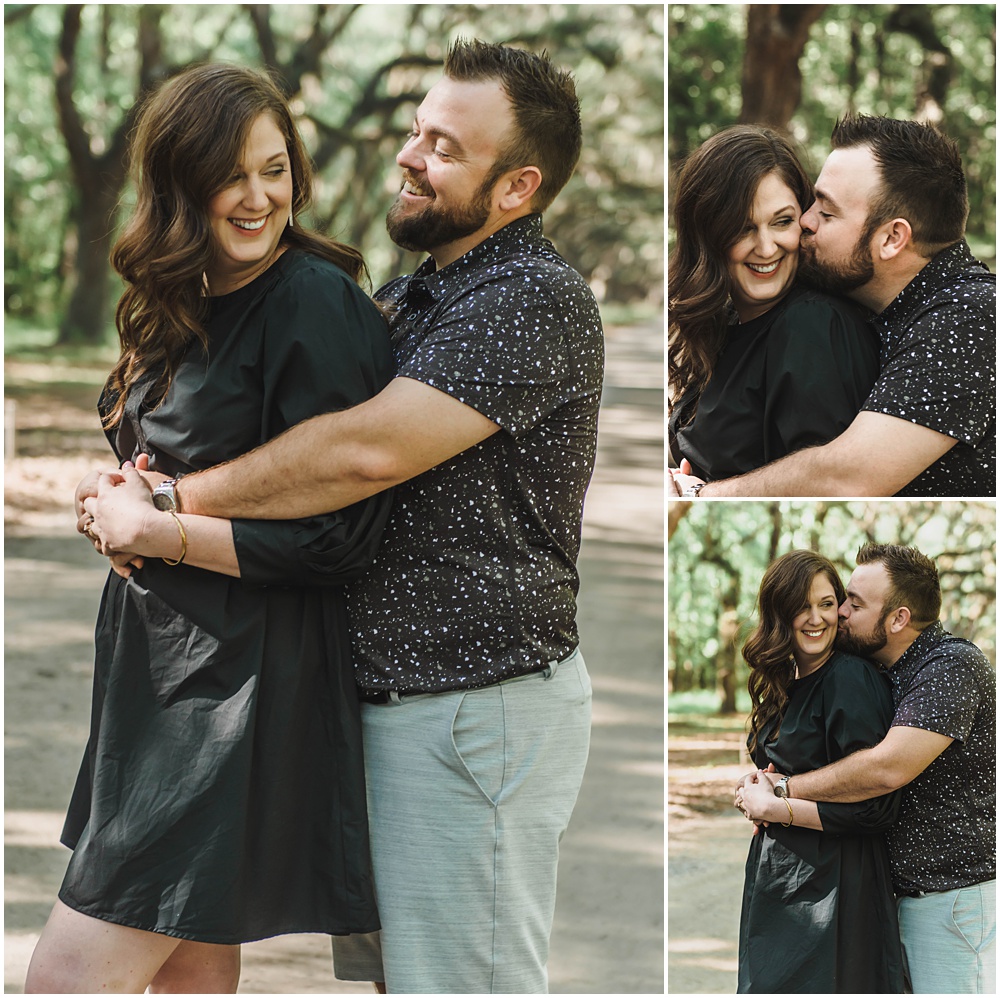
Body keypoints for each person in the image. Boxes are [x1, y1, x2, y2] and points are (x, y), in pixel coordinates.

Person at [79, 39, 603, 995]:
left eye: (442, 146)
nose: (409, 154)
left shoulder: (530, 299)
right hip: (393, 706)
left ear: (518, 186)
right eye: (415, 130)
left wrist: (165, 507)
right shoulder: (416, 296)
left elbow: (359, 455)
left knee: (464, 983)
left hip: (469, 706)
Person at [26, 64, 394, 993]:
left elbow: (340, 539)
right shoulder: (184, 294)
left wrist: (155, 531)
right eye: (233, 174)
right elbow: (170, 468)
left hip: (234, 692)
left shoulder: (313, 302)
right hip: (158, 676)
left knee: (68, 976)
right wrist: (112, 496)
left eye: (276, 169)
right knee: (190, 969)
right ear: (181, 182)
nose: (260, 195)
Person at [671, 113, 996, 498]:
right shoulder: (873, 307)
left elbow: (849, 475)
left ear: (893, 238)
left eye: (825, 212)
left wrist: (698, 496)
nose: (804, 222)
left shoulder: (970, 313)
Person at [744, 543, 996, 993]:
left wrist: (781, 795)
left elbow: (884, 773)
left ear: (898, 619)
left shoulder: (950, 666)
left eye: (850, 603)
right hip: (895, 888)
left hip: (947, 895)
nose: (839, 612)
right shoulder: (884, 668)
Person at [732, 550, 903, 993]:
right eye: (801, 605)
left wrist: (776, 804)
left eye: (827, 604)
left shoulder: (849, 680)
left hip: (836, 885)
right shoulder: (784, 680)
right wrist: (753, 791)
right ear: (780, 612)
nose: (815, 618)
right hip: (780, 875)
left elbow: (875, 808)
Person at [668, 125, 879, 483]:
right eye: (742, 227)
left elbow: (821, 481)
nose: (766, 248)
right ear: (708, 234)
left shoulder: (811, 326)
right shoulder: (728, 321)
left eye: (782, 222)